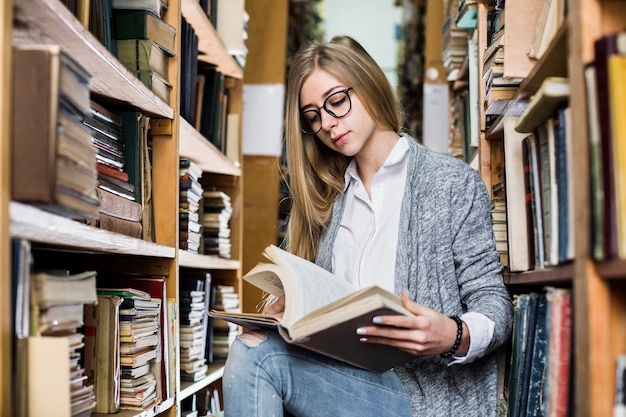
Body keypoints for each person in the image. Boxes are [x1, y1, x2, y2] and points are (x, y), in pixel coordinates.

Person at [222, 35, 513, 417]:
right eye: (313, 115)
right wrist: (287, 311)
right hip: (343, 382)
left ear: (370, 84)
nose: (327, 123)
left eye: (336, 102)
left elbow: (495, 305)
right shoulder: (326, 201)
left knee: (256, 357)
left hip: (423, 393)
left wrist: (452, 334)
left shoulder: (450, 183)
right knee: (254, 343)